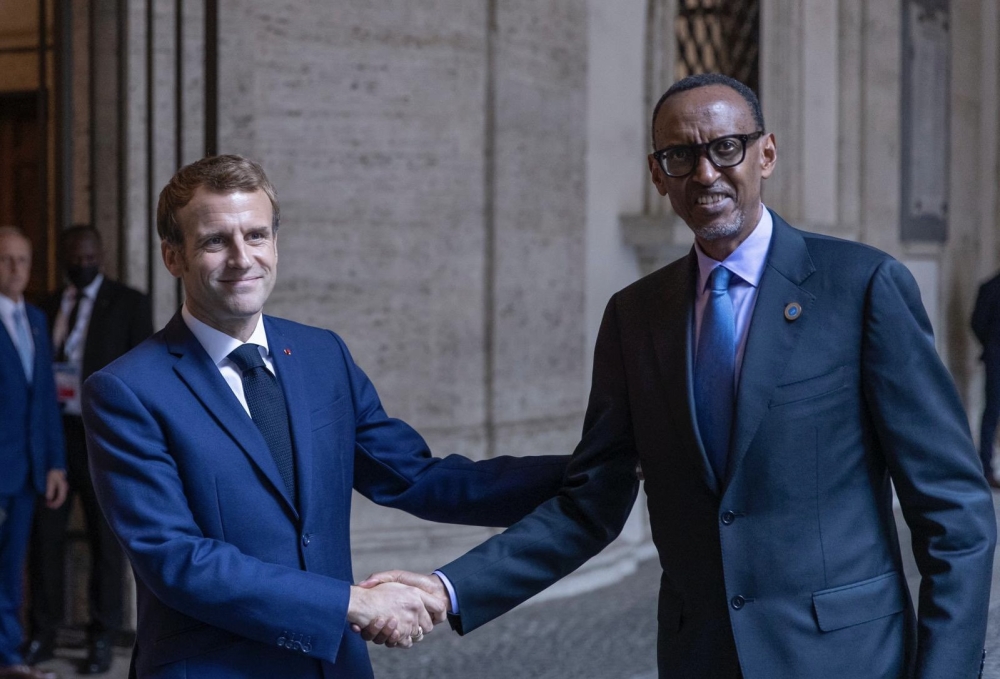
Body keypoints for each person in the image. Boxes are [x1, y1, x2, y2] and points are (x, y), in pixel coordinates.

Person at [360, 74, 998, 679]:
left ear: (766, 153)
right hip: (701, 656)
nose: (706, 173)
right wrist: (449, 590)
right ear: (657, 174)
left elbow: (954, 510)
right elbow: (592, 502)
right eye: (680, 156)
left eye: (726, 148)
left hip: (849, 656)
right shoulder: (635, 316)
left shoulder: (861, 287)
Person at [81, 155, 568, 679]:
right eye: (215, 241)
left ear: (275, 243)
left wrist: (592, 467)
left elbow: (419, 477)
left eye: (256, 235)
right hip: (213, 668)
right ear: (173, 257)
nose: (242, 258)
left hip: (334, 666)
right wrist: (347, 605)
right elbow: (174, 559)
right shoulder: (126, 391)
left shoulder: (322, 355)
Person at [23, 225, 153, 674]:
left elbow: (143, 375)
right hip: (53, 438)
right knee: (45, 540)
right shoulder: (44, 304)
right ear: (62, 258)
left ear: (102, 255)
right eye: (74, 258)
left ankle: (103, 636)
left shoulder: (130, 303)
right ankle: (44, 631)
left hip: (102, 438)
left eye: (89, 257)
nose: (82, 265)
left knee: (106, 542)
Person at [0, 227, 69, 679]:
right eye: (7, 259)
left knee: (10, 571)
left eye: (23, 260)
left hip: (26, 471)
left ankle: (7, 656)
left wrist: (56, 463)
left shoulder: (37, 319)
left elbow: (45, 398)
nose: (16, 269)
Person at [971, 271, 1000, 489]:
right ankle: (986, 468)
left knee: (991, 412)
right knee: (992, 412)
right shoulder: (991, 287)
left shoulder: (989, 286)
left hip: (994, 356)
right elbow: (978, 323)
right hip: (996, 359)